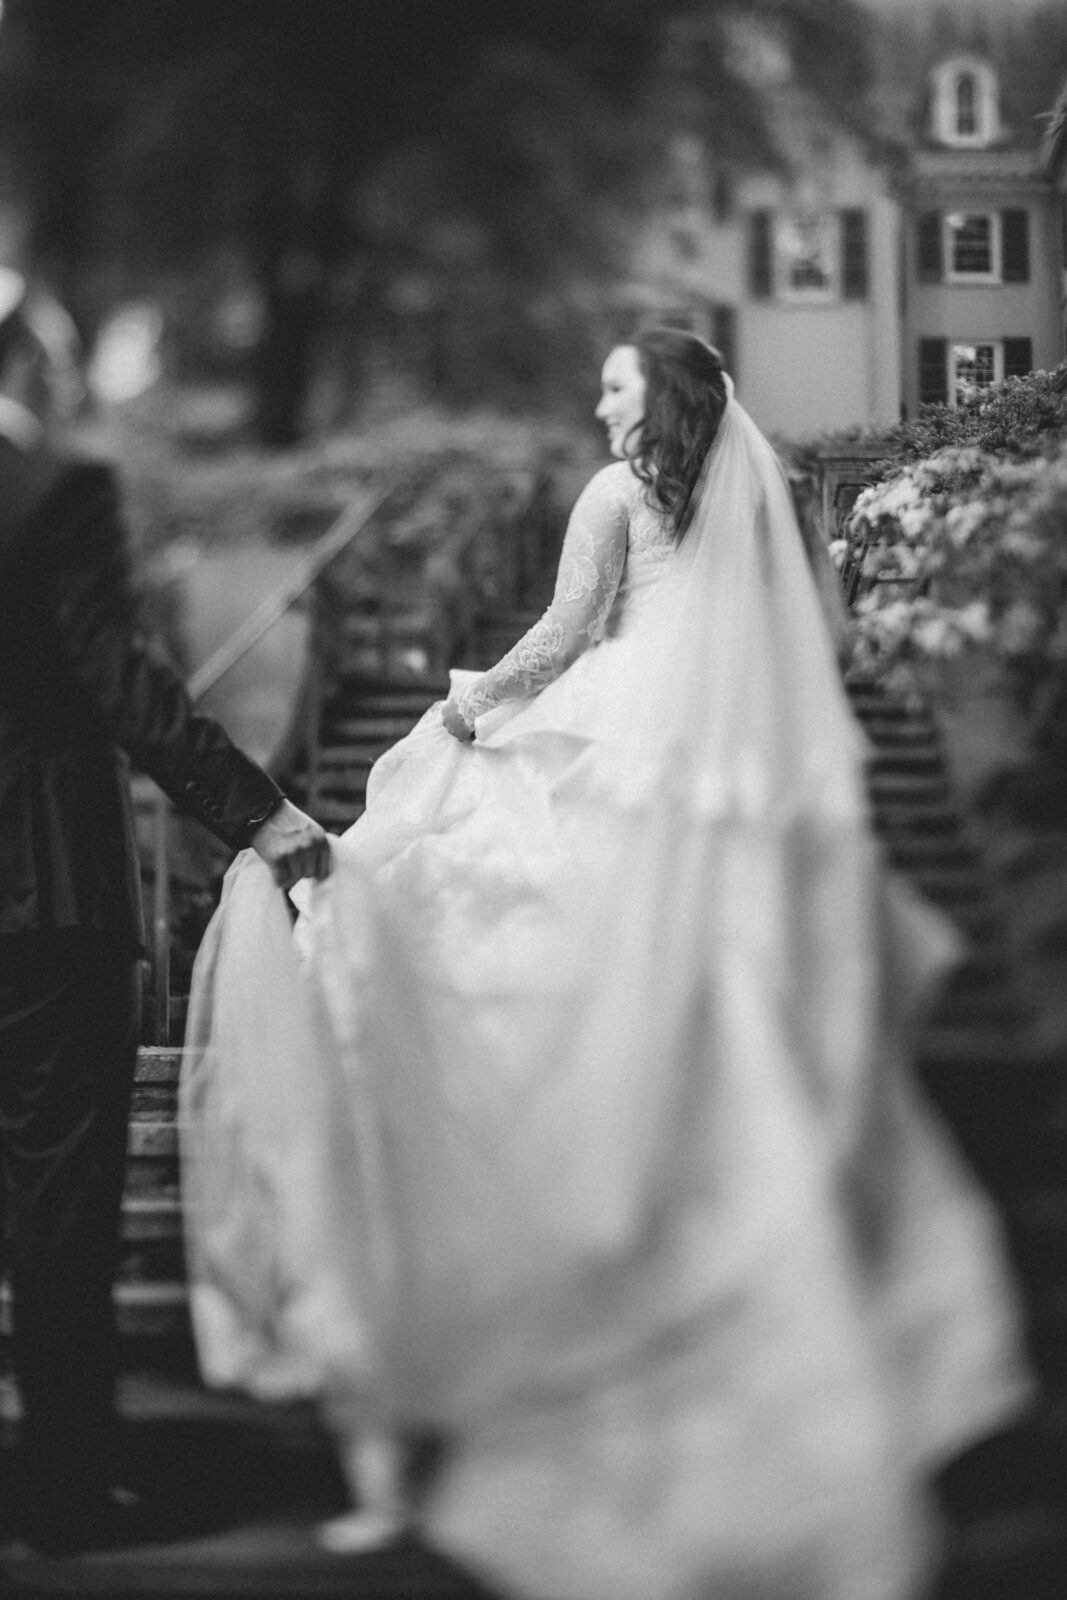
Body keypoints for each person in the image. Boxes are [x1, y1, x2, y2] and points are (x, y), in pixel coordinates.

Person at [183, 328, 1030, 1600]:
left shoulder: (612, 491)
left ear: (661, 398)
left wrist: (460, 709)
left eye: (615, 381)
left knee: (524, 962)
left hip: (612, 740)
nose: (596, 398)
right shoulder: (751, 502)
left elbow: (568, 629)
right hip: (715, 764)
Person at [0, 269, 331, 1556]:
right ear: (30, 360)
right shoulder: (53, 490)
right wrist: (256, 811)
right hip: (43, 893)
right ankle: (73, 1488)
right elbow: (121, 682)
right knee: (59, 1192)